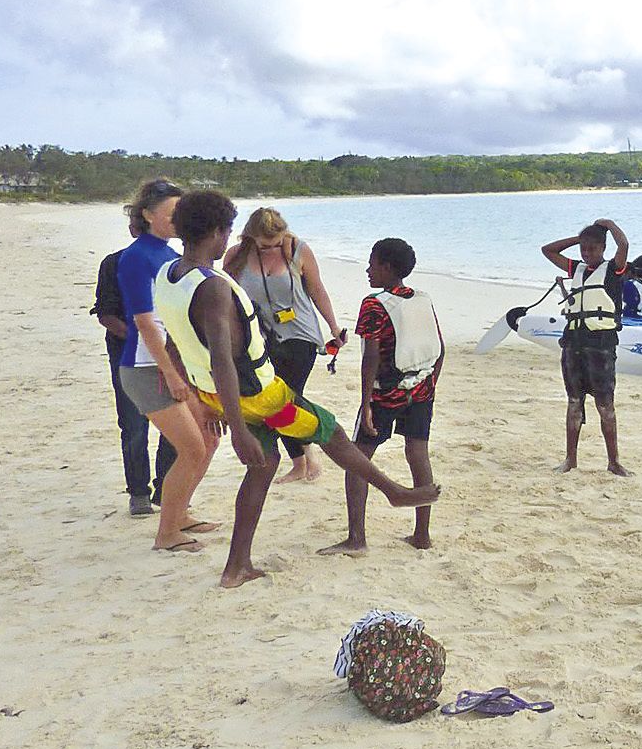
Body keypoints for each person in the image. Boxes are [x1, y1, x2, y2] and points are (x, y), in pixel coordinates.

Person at [152, 191, 440, 589]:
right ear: (218, 232)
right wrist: (236, 429)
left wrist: (202, 399)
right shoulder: (214, 288)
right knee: (330, 430)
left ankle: (238, 567)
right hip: (260, 397)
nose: (228, 240)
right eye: (228, 231)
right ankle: (392, 492)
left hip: (219, 394)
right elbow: (222, 358)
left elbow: (176, 343)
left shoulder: (168, 277)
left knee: (264, 466)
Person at [318, 238, 444, 557]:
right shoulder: (423, 299)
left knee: (358, 459)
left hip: (386, 393)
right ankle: (422, 535)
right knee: (418, 454)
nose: (368, 269)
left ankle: (356, 539)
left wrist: (365, 404)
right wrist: (431, 385)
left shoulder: (374, 304)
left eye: (372, 264)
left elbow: (370, 358)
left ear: (387, 268)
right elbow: (440, 348)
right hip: (422, 386)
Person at [114, 178, 219, 553]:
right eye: (172, 213)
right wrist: (173, 376)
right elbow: (146, 323)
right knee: (191, 448)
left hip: (171, 365)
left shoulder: (168, 255)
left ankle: (180, 513)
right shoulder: (138, 256)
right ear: (147, 214)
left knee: (209, 437)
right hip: (147, 367)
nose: (180, 220)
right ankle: (167, 534)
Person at [224, 208, 348, 485]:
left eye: (277, 242)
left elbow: (317, 290)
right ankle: (302, 459)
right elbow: (227, 298)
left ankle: (304, 458)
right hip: (260, 338)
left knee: (287, 399)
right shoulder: (235, 256)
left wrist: (334, 327)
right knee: (274, 400)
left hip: (300, 333)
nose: (273, 248)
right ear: (251, 237)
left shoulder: (297, 250)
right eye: (266, 245)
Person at [94, 232, 177, 515]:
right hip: (127, 355)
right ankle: (138, 492)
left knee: (174, 426)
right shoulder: (114, 263)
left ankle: (166, 488)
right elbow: (106, 314)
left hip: (170, 354)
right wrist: (140, 339)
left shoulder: (172, 265)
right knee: (133, 426)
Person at [543, 218, 631, 476]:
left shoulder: (614, 269)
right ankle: (570, 460)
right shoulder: (576, 269)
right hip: (573, 342)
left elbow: (623, 244)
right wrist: (577, 238)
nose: (587, 253)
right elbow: (548, 250)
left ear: (603, 248)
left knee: (605, 405)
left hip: (601, 345)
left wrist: (609, 224)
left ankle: (613, 462)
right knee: (573, 402)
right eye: (584, 249)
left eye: (592, 249)